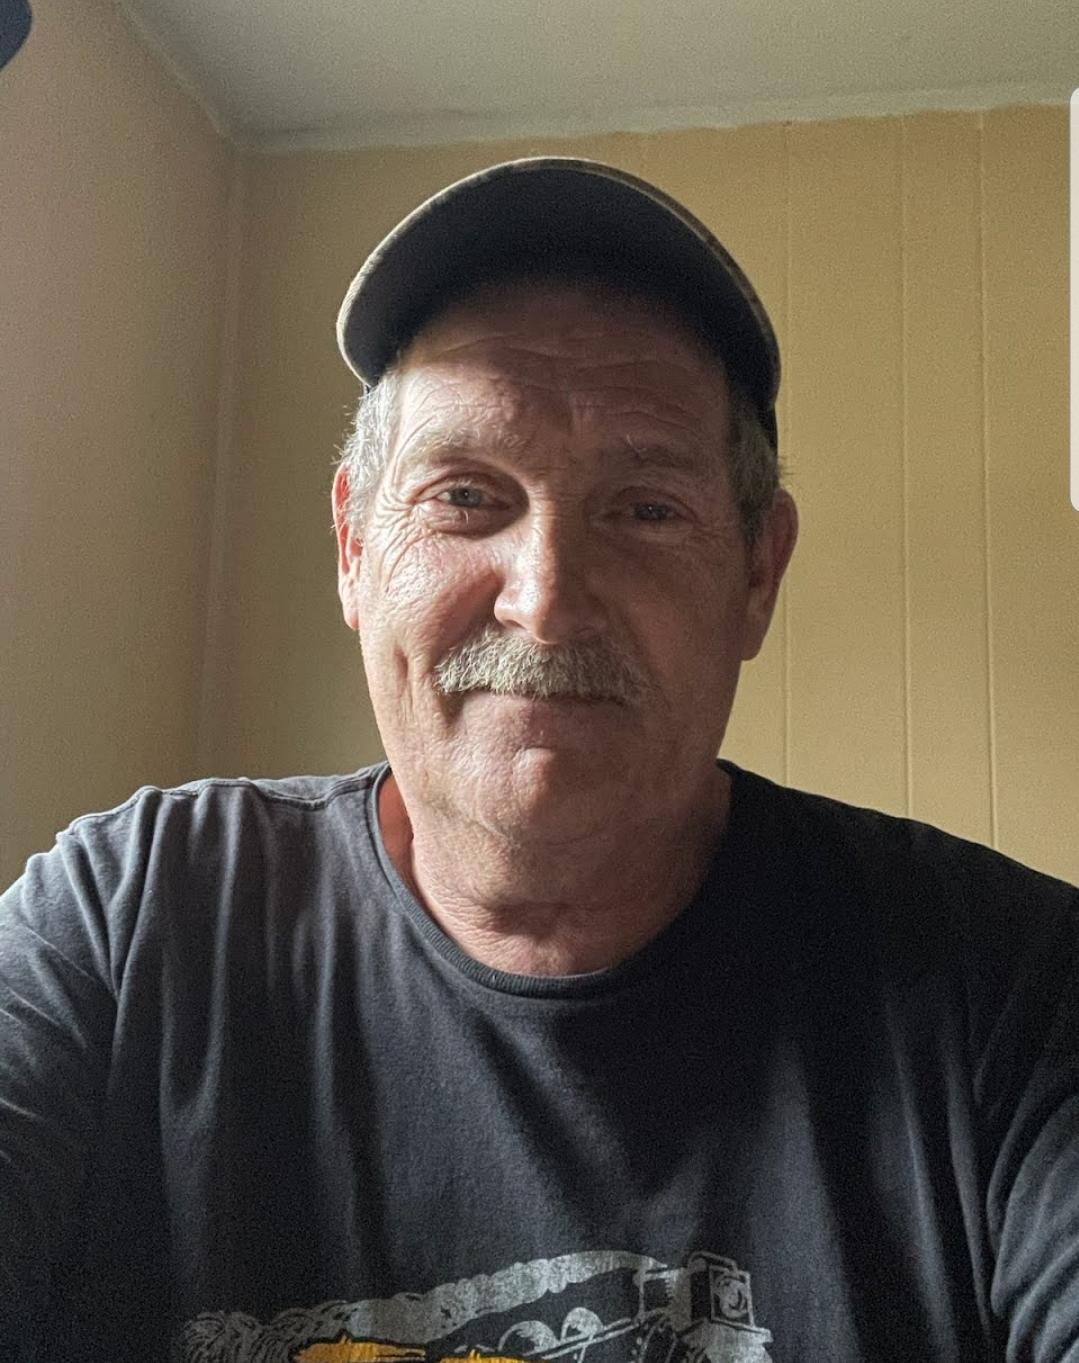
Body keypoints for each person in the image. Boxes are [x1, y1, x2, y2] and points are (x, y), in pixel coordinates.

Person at [0, 158, 1076, 1363]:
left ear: (756, 574)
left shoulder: (1012, 992)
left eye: (646, 509)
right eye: (466, 496)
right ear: (354, 547)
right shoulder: (128, 919)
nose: (547, 601)